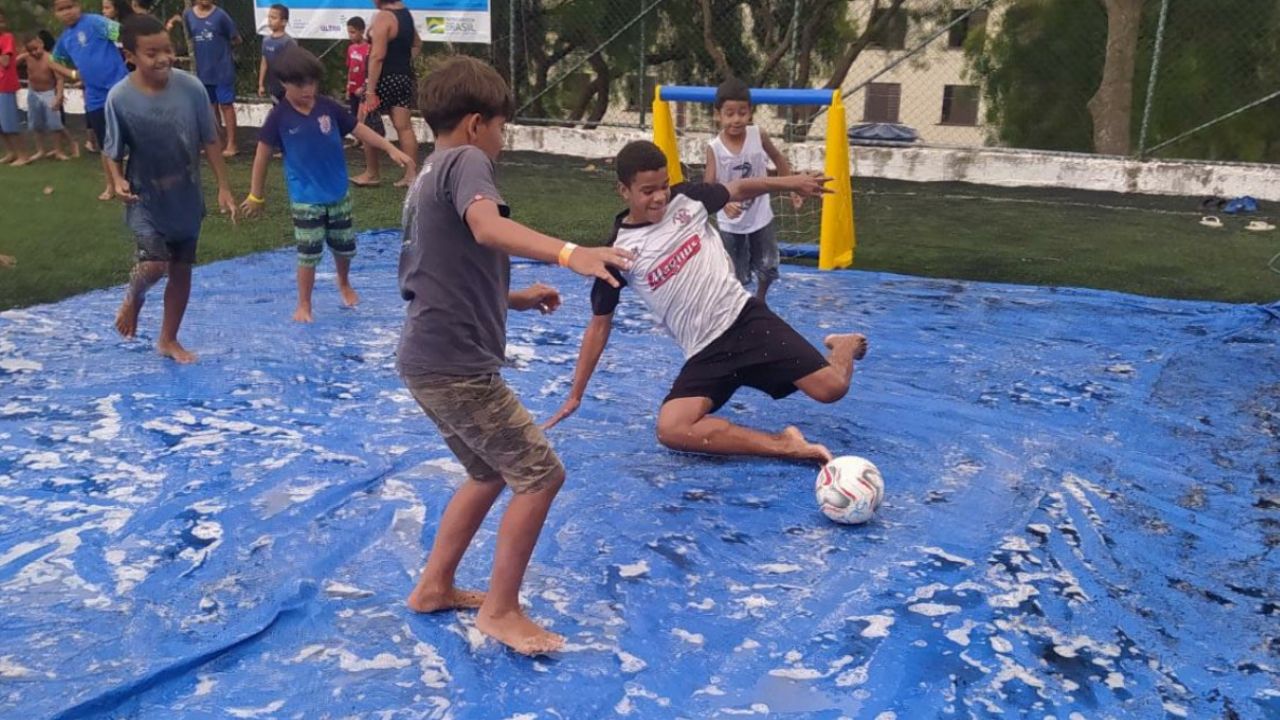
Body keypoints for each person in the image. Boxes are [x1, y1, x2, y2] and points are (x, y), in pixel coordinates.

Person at [398, 56, 632, 656]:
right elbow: (485, 227)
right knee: (541, 474)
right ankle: (501, 611)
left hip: (427, 357)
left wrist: (514, 298)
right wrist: (570, 253)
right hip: (456, 366)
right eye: (502, 128)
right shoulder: (468, 161)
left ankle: (434, 586)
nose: (501, 142)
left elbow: (440, 271)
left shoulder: (427, 174)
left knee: (488, 471)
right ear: (477, 123)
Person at [544, 140, 867, 464]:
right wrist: (575, 394)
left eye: (664, 186)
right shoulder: (616, 252)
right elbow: (600, 325)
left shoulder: (688, 199)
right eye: (647, 191)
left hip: (745, 320)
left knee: (832, 388)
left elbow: (738, 188)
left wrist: (790, 182)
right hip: (705, 351)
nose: (659, 197)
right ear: (624, 190)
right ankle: (784, 444)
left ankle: (843, 344)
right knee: (671, 428)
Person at [240, 46, 411, 323]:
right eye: (300, 84)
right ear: (283, 83)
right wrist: (255, 195)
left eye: (312, 82)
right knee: (308, 251)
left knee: (344, 245)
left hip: (337, 192)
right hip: (305, 197)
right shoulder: (279, 117)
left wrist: (389, 148)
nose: (308, 89)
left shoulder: (328, 107)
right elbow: (261, 156)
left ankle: (344, 283)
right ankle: (304, 303)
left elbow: (359, 128)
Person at [104, 14, 237, 364]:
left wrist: (223, 187)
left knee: (181, 269)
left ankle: (168, 339)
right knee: (155, 264)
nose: (163, 58)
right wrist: (116, 180)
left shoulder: (191, 88)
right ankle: (134, 295)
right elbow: (111, 151)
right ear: (130, 55)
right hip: (145, 198)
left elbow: (210, 140)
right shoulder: (120, 98)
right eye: (152, 52)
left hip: (186, 196)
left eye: (167, 49)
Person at [704, 77, 802, 302]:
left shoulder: (758, 135)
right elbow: (710, 185)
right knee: (735, 273)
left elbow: (778, 158)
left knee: (768, 265)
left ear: (750, 113)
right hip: (731, 222)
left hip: (760, 216)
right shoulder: (715, 148)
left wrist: (792, 186)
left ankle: (760, 299)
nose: (737, 119)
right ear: (717, 114)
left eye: (742, 112)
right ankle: (738, 305)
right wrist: (724, 202)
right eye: (730, 113)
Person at [47, 0, 129, 198]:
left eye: (71, 6)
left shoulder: (95, 22)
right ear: (55, 13)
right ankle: (112, 185)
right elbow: (53, 62)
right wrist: (74, 75)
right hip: (95, 98)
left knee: (135, 136)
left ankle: (141, 179)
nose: (67, 12)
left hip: (120, 89)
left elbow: (126, 34)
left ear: (79, 6)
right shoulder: (65, 40)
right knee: (105, 143)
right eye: (61, 9)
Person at [167, 0, 240, 156]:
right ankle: (217, 142)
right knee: (210, 106)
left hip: (222, 69)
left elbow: (236, 38)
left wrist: (223, 52)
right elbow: (191, 34)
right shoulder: (189, 15)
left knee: (226, 105)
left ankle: (232, 144)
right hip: (204, 70)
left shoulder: (221, 16)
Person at [357, 0, 418, 187]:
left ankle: (372, 173)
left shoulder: (384, 16)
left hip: (383, 78)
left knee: (365, 123)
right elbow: (417, 43)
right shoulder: (406, 14)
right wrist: (404, 62)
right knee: (404, 126)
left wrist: (370, 90)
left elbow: (377, 56)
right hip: (404, 76)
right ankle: (411, 175)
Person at [16, 34, 71, 161]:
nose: (34, 52)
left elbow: (59, 79)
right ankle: (40, 150)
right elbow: (13, 63)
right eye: (31, 50)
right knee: (36, 123)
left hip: (49, 92)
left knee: (54, 124)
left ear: (41, 44)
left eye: (36, 48)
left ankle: (58, 150)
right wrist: (23, 53)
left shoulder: (50, 58)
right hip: (33, 92)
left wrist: (59, 95)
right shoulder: (27, 57)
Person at [344, 16, 385, 178]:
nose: (350, 35)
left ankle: (368, 141)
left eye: (353, 32)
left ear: (362, 31)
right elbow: (350, 68)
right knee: (354, 114)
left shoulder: (369, 48)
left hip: (365, 89)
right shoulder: (351, 48)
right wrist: (348, 86)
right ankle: (358, 139)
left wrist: (366, 87)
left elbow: (369, 70)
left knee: (364, 116)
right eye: (348, 32)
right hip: (353, 88)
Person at [0, 10, 30, 166]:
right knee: (1, 125)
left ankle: (23, 155)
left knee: (9, 123)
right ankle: (11, 152)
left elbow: (5, 62)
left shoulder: (7, 38)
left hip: (5, 86)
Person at [257, 3, 294, 102]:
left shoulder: (288, 42)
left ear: (284, 22)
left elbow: (293, 66)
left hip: (287, 89)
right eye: (269, 17)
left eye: (273, 18)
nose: (270, 20)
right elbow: (264, 63)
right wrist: (261, 84)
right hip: (273, 87)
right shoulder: (266, 40)